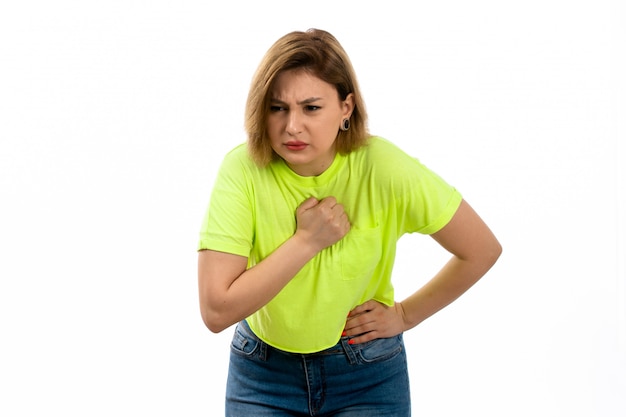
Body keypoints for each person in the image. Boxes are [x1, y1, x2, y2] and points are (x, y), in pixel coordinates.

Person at [197, 28, 502, 416]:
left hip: (367, 371)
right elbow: (216, 311)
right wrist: (306, 241)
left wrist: (406, 314)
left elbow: (481, 250)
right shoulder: (242, 169)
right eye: (277, 108)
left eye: (311, 108)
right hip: (262, 371)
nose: (292, 126)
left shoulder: (382, 166)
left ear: (346, 107)